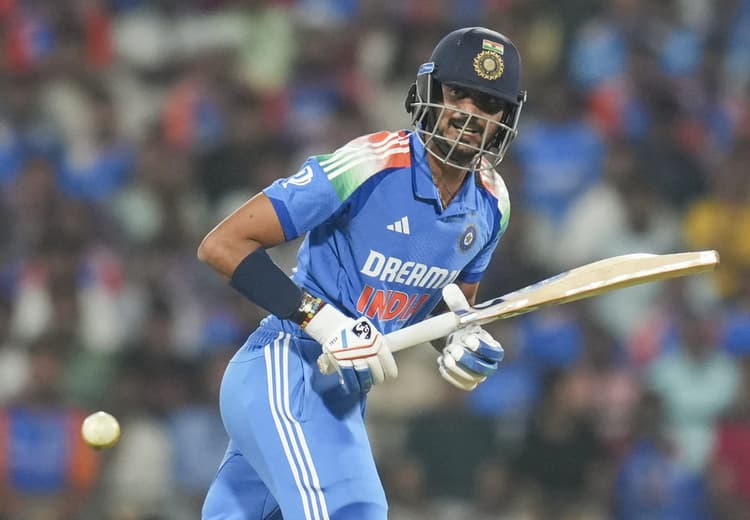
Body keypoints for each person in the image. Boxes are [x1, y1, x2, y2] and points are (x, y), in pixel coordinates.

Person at [198, 26, 526, 519]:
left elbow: (446, 304)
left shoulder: (493, 203)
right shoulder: (370, 163)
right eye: (458, 93)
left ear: (506, 117)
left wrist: (459, 339)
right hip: (289, 368)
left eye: (488, 103)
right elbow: (222, 245)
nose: (469, 113)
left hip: (342, 395)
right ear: (430, 91)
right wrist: (326, 322)